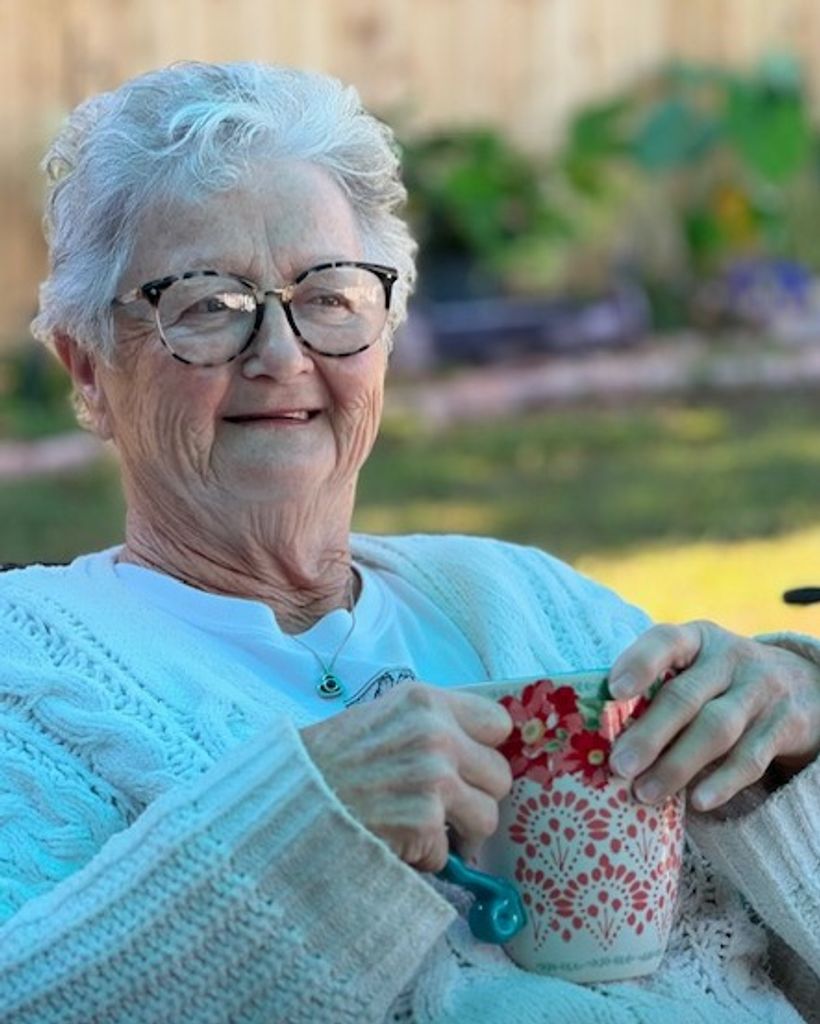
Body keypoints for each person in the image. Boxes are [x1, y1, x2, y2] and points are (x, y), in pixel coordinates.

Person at [0, 61, 817, 1024]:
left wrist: (793, 732)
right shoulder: (30, 679)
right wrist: (301, 837)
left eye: (328, 297)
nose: (281, 354)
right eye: (208, 304)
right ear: (88, 369)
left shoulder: (527, 598)